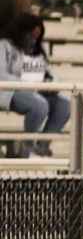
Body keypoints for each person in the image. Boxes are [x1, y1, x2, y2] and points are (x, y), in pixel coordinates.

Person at [0, 13, 70, 158]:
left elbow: (50, 73)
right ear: (19, 32)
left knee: (65, 106)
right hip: (9, 91)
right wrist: (27, 84)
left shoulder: (38, 51)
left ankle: (42, 146)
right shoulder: (4, 46)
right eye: (29, 36)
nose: (32, 41)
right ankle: (28, 145)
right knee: (39, 105)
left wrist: (51, 84)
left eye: (35, 38)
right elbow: (2, 75)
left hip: (38, 89)